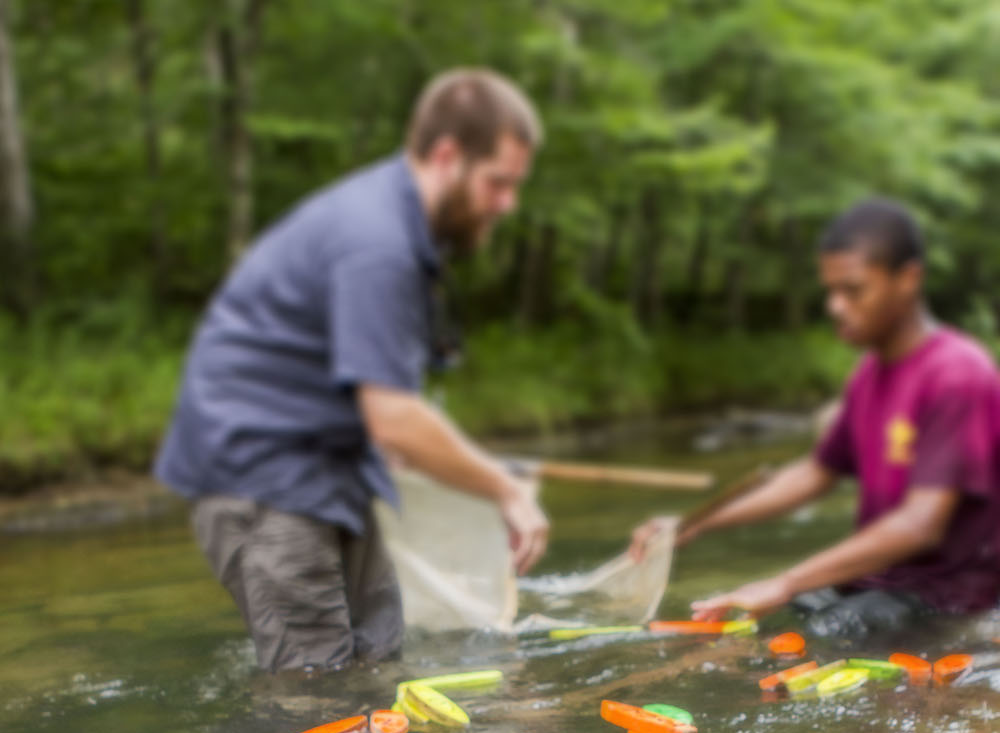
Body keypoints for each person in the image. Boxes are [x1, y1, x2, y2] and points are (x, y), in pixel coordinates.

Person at [155, 69, 549, 671]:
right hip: (259, 477)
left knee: (379, 659)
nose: (507, 203)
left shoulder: (403, 234)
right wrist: (503, 490)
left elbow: (368, 397)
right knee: (318, 695)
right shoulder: (378, 243)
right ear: (447, 156)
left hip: (332, 466)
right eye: (498, 182)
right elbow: (393, 417)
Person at [630, 197, 1000, 635]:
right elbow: (814, 473)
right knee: (756, 622)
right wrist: (694, 524)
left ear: (909, 280)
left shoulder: (957, 375)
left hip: (950, 595)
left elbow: (920, 525)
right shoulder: (870, 374)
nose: (835, 306)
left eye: (853, 290)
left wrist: (784, 582)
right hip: (881, 580)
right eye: (831, 290)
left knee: (815, 633)